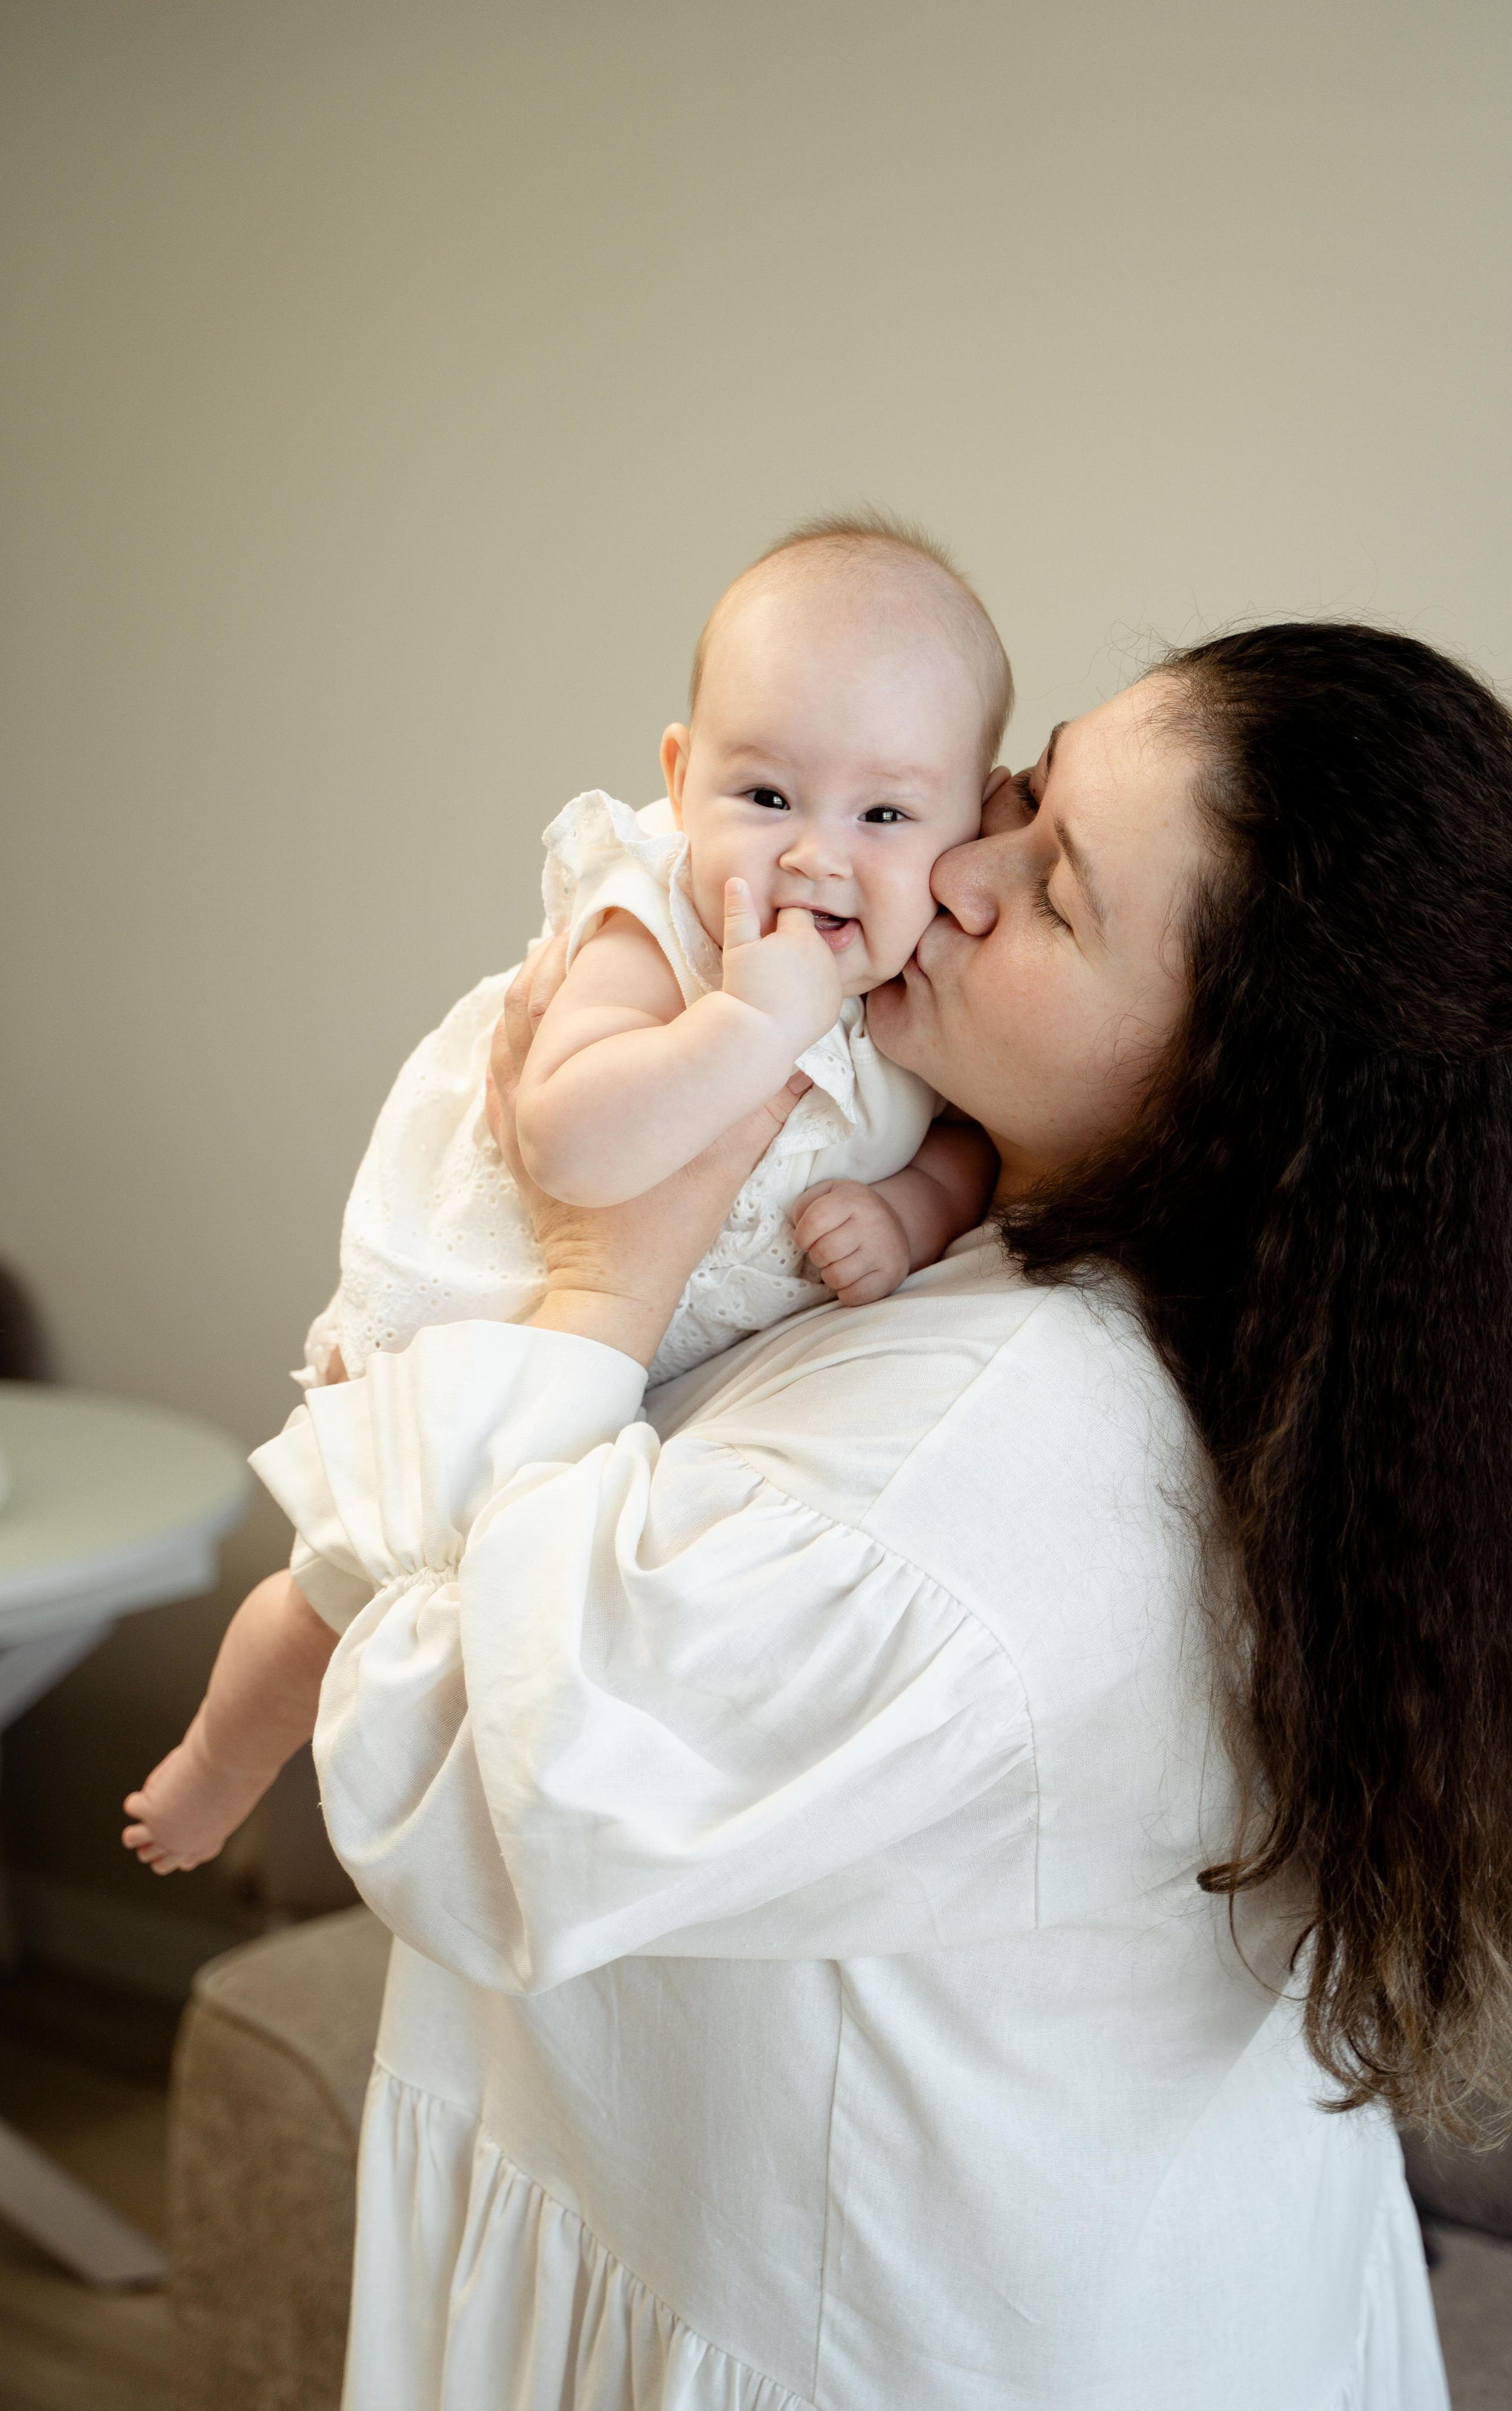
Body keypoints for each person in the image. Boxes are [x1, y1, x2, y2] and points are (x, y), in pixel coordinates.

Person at [252, 625, 1512, 2407]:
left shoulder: (968, 1488)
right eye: (1027, 793)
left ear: (1231, 1091)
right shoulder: (1206, 1331)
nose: (945, 869)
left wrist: (597, 1283)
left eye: (1055, 895)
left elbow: (451, 1783)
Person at [121, 515, 1004, 1876]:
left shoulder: (915, 983)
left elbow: (965, 1153)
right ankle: (218, 1763)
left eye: (883, 813)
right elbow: (572, 1148)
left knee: (512, 1624)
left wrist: (911, 1212)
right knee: (334, 1598)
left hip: (646, 1394)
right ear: (679, 773)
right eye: (765, 797)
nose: (817, 856)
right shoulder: (656, 930)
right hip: (505, 1329)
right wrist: (743, 1033)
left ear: (965, 824)